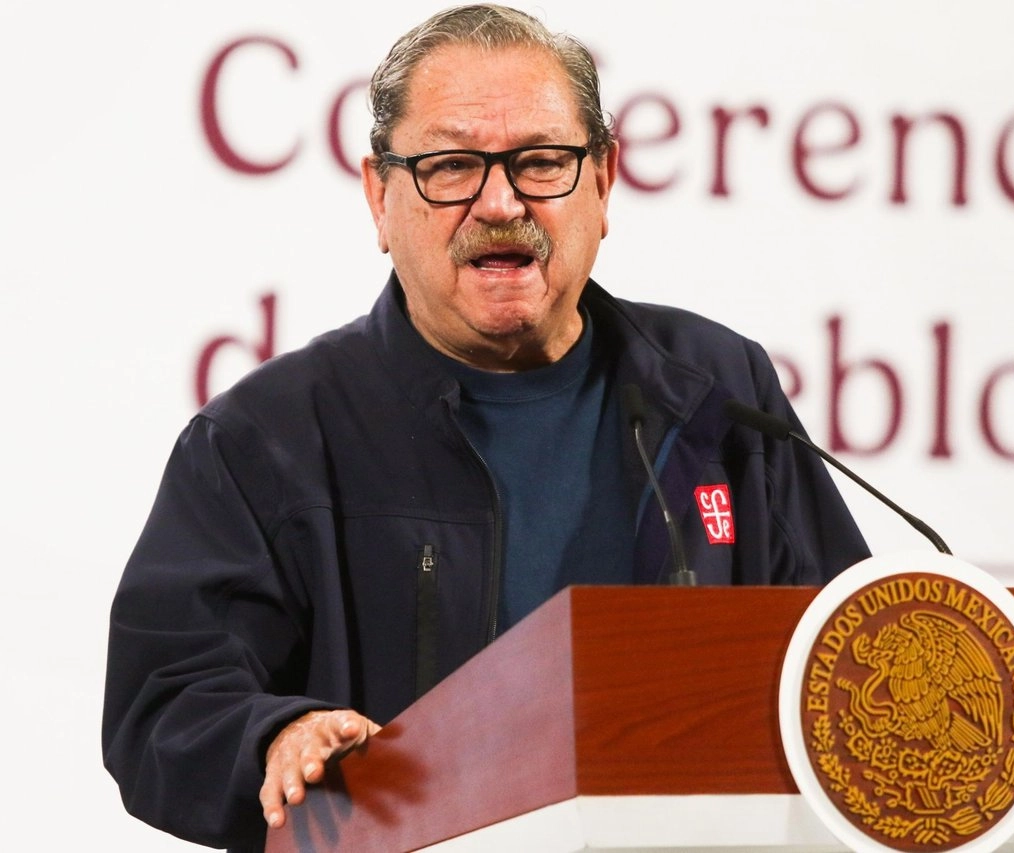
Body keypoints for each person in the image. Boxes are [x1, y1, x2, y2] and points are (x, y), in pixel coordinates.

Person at [102, 4, 870, 851]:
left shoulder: (718, 394)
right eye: (453, 165)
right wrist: (273, 736)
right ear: (379, 198)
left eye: (542, 162)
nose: (501, 201)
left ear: (604, 185)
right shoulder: (268, 437)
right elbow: (164, 700)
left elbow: (853, 653)